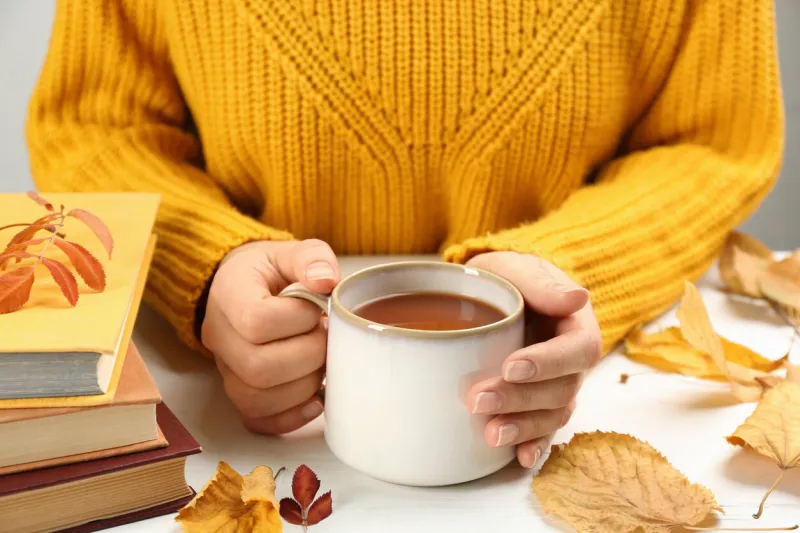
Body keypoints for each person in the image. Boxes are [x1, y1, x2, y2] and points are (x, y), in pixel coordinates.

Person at [25, 0, 784, 469]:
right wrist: (207, 264)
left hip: (601, 414)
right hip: (227, 427)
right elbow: (97, 124)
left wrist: (571, 270)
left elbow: (715, 137)